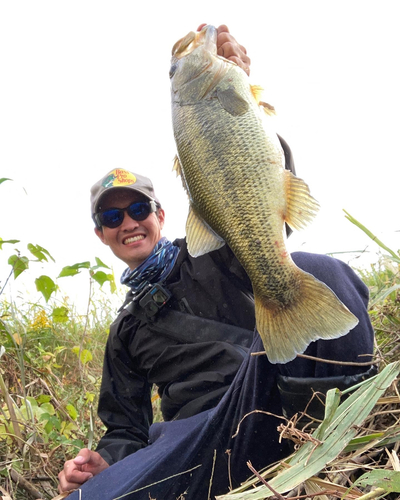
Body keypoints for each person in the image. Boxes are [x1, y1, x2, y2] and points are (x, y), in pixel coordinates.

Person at [58, 25, 375, 500]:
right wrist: (103, 465)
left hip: (266, 400)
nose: (128, 222)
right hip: (194, 444)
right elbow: (124, 429)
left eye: (139, 208)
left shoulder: (208, 256)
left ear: (161, 215)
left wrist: (239, 90)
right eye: (111, 215)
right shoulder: (124, 333)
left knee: (315, 271)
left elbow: (260, 210)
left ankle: (340, 440)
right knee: (90, 499)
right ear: (100, 232)